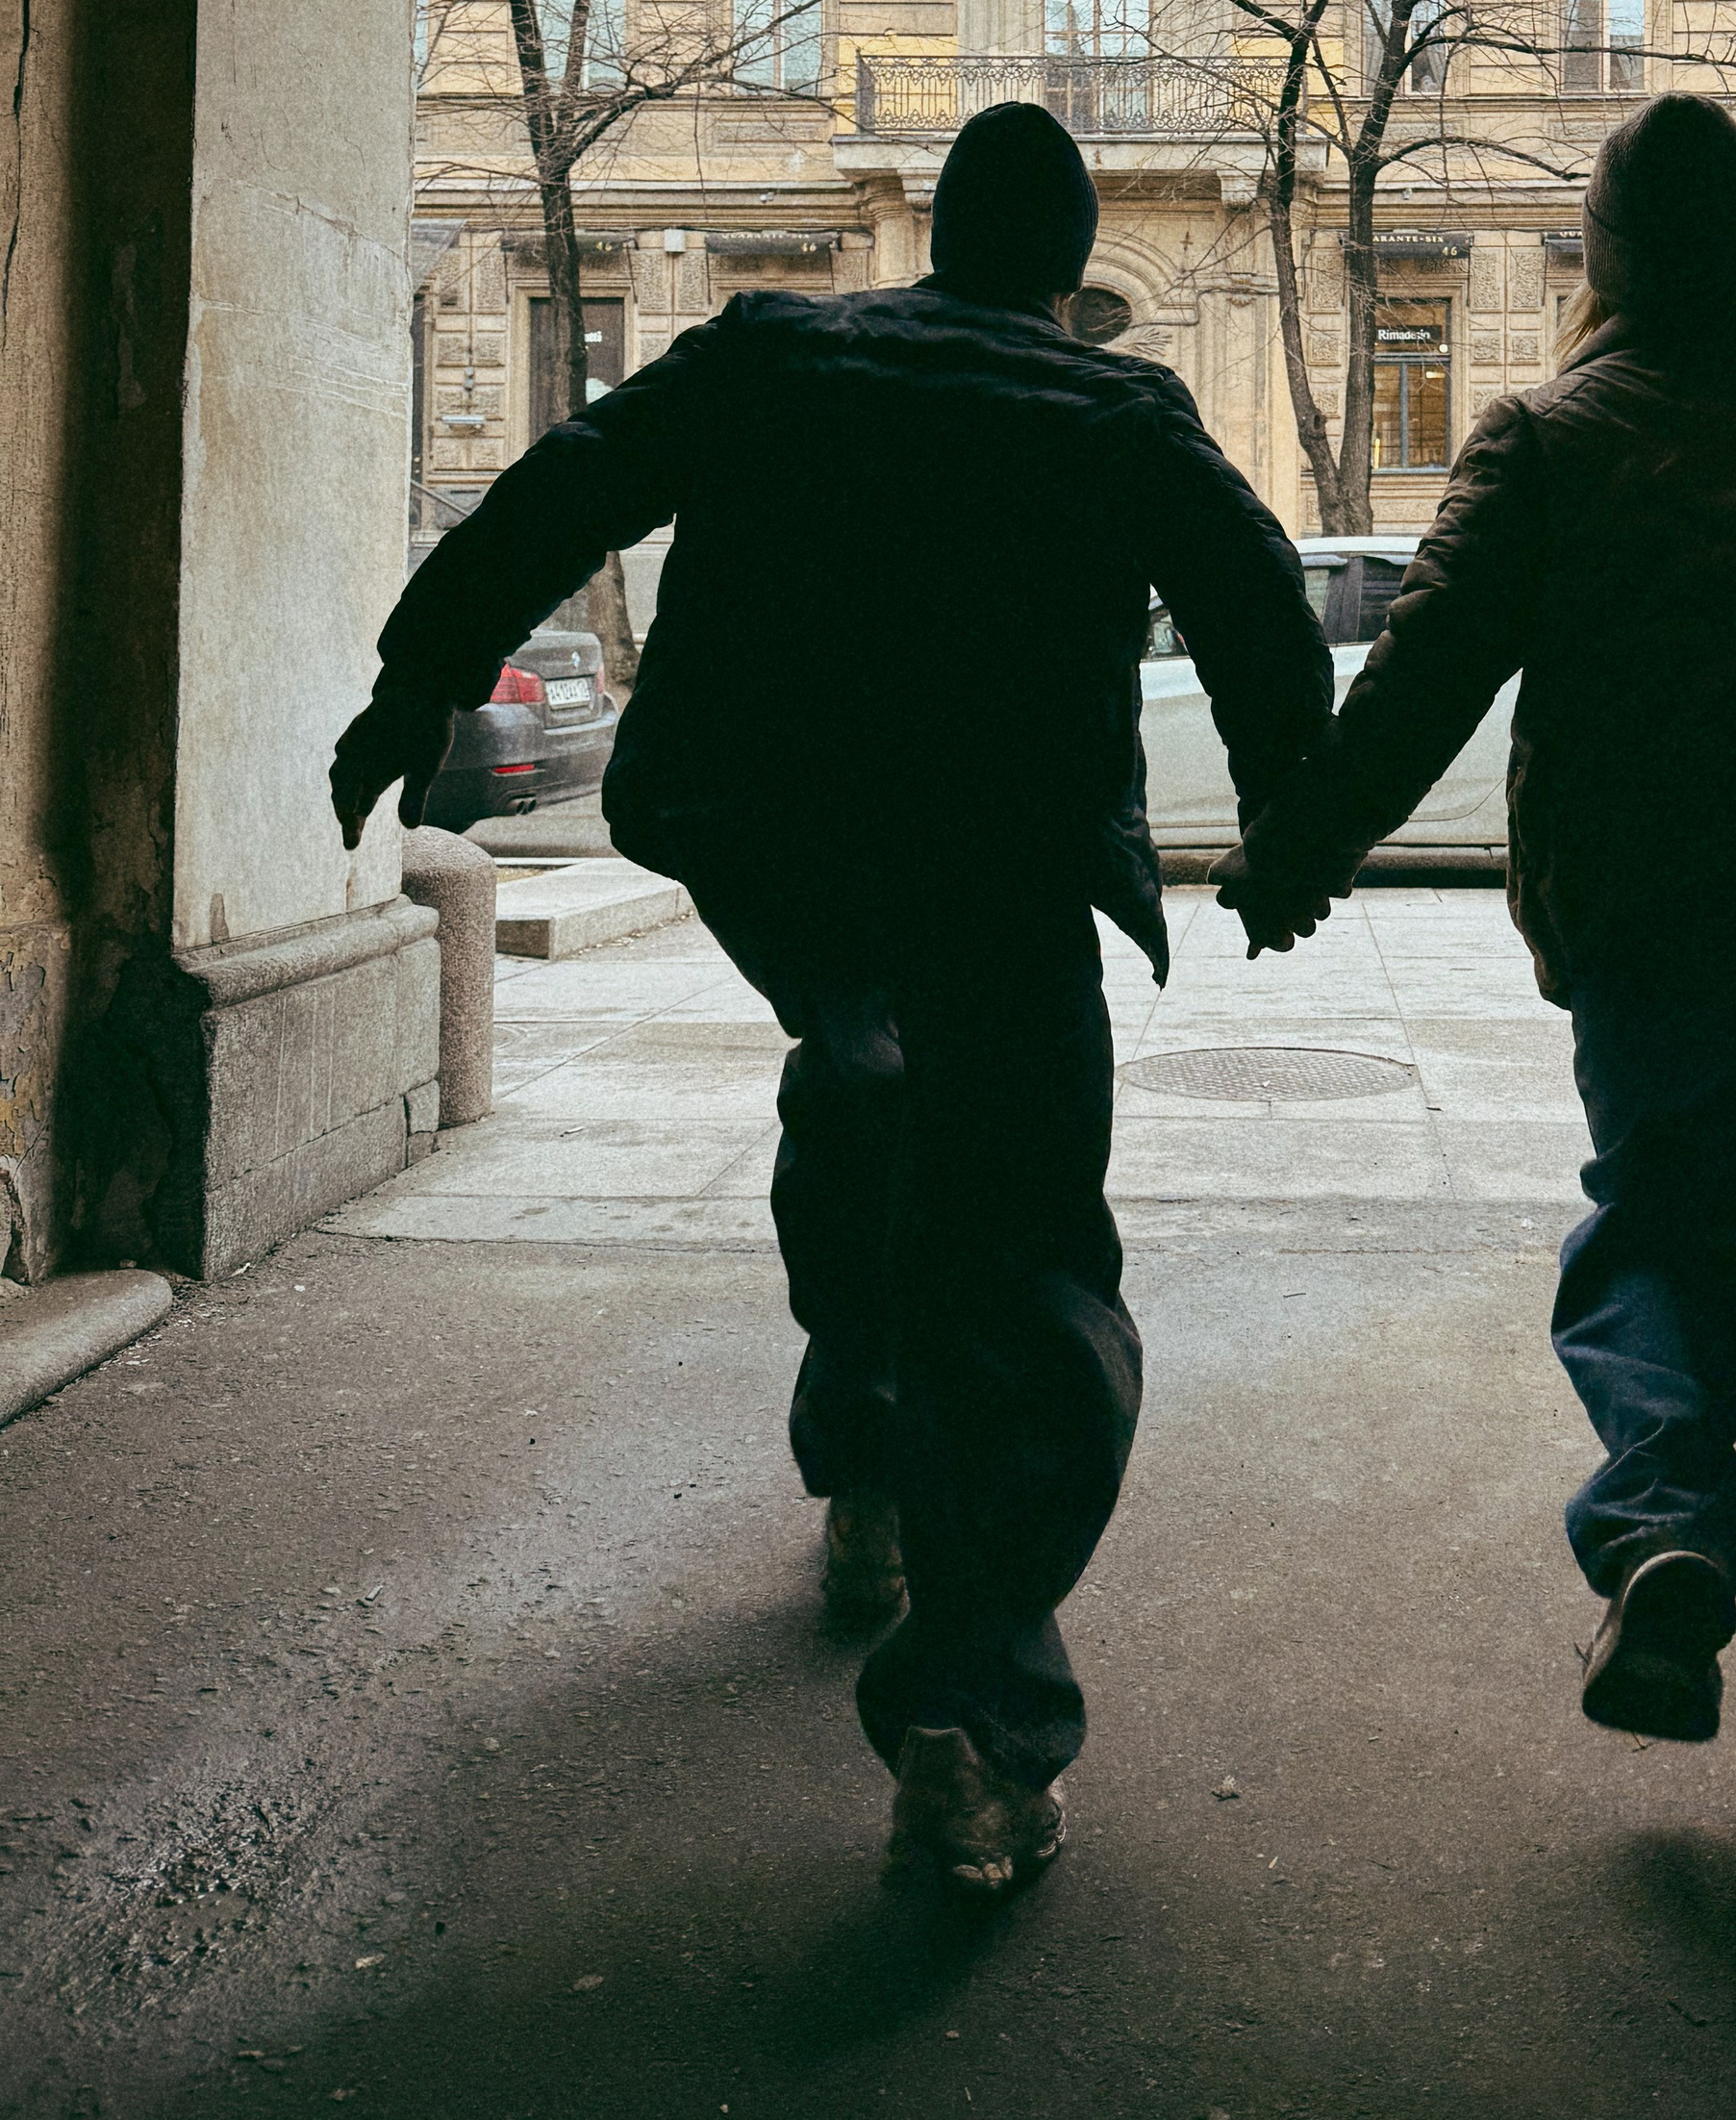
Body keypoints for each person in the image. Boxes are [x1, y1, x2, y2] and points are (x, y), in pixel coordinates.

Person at [334, 103, 1333, 1894]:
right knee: (1026, 1258)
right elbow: (1262, 604)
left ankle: (868, 1440)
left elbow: (560, 484)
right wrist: (1288, 834)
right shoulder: (1114, 406)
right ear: (1064, 269)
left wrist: (414, 689)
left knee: (861, 1057)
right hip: (1006, 871)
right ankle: (971, 1719)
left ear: (931, 240)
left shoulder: (778, 348)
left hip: (784, 842)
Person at [1216, 96, 1736, 1862]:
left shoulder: (1547, 436)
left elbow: (1422, 680)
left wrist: (1293, 860)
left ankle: (1670, 1521)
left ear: (1595, 264)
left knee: (1663, 1227)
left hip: (1674, 897)